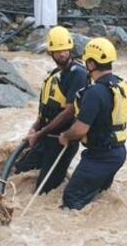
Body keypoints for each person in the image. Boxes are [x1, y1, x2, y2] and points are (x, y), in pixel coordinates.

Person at [15, 26, 88, 194]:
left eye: (65, 50)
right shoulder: (54, 75)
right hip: (45, 137)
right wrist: (35, 128)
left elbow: (69, 111)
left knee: (44, 191)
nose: (62, 54)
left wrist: (39, 134)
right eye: (57, 51)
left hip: (62, 142)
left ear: (70, 49)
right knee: (20, 172)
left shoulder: (78, 74)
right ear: (51, 53)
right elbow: (46, 110)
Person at [59, 38, 127, 210]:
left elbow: (79, 130)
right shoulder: (120, 84)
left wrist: (65, 135)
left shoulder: (95, 92)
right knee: (98, 196)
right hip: (118, 152)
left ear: (91, 64)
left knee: (71, 199)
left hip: (101, 156)